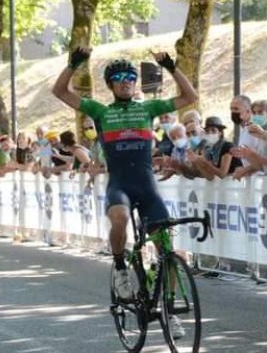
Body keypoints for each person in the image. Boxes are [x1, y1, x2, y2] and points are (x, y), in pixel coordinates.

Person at [51, 45, 198, 331]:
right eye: (119, 78)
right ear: (110, 85)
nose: (126, 81)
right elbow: (60, 92)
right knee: (118, 217)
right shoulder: (100, 111)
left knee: (166, 249)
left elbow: (190, 96)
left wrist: (171, 66)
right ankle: (120, 266)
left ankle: (170, 311)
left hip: (147, 187)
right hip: (120, 184)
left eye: (130, 77)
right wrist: (74, 64)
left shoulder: (149, 108)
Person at [230, 95, 267, 179]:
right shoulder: (255, 131)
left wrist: (250, 155)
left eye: (260, 112)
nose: (256, 115)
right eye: (254, 113)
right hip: (262, 179)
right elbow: (260, 163)